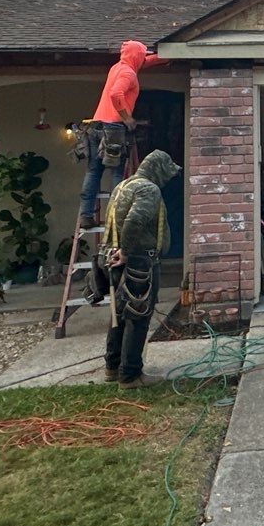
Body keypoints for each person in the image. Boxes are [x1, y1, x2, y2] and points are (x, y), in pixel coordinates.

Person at [99, 150, 179, 387]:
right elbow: (134, 221)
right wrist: (125, 251)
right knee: (138, 314)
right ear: (158, 169)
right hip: (140, 261)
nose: (169, 178)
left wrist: (117, 251)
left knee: (120, 313)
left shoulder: (123, 185)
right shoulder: (148, 189)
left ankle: (113, 366)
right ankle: (131, 374)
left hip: (118, 257)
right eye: (168, 172)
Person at [80, 40, 155, 225]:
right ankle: (114, 215)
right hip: (113, 127)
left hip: (96, 125)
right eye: (142, 54)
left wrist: (165, 57)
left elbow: (143, 62)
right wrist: (127, 117)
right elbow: (116, 94)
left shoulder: (118, 67)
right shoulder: (129, 73)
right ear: (137, 55)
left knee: (93, 171)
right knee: (117, 172)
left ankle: (86, 216)